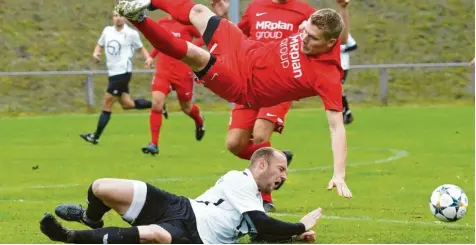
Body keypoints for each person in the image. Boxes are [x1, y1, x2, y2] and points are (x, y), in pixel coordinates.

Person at [116, 0, 352, 198]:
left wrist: (339, 174)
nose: (303, 39)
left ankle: (137, 19)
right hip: (244, 48)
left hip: (242, 85)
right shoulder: (304, 27)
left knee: (192, 53)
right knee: (199, 11)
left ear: (330, 42)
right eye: (304, 31)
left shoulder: (328, 75)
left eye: (312, 38)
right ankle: (142, 3)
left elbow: (336, 127)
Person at [211, 0, 349, 212]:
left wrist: (343, 10)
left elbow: (339, 39)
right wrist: (223, 17)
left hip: (279, 88)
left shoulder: (305, 11)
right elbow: (235, 38)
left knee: (259, 135)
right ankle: (279, 159)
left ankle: (265, 196)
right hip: (249, 78)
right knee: (234, 144)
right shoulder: (256, 7)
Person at [39, 147, 323, 244]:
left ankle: (68, 237)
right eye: (281, 169)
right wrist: (300, 226)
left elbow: (259, 234)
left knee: (154, 235)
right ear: (261, 164)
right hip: (181, 206)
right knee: (101, 187)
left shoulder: (255, 202)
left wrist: (293, 235)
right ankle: (91, 219)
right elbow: (261, 226)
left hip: (194, 235)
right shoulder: (241, 181)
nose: (284, 176)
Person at [80, 11, 154, 145]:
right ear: (112, 18)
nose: (118, 19)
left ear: (125, 18)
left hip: (122, 73)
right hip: (113, 73)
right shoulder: (107, 31)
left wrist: (148, 58)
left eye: (120, 16)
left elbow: (141, 48)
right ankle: (157, 105)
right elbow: (99, 44)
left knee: (107, 103)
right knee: (127, 104)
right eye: (115, 16)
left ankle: (95, 136)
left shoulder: (131, 33)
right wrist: (96, 53)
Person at [141, 15, 205, 156]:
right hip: (163, 70)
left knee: (186, 108)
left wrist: (193, 47)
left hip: (182, 71)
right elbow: (159, 42)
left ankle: (199, 120)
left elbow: (203, 36)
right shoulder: (162, 22)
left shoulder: (188, 23)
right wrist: (151, 56)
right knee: (156, 103)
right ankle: (154, 144)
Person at [340, 33, 357, 124]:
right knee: (337, 90)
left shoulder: (344, 34)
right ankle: (346, 113)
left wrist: (344, 49)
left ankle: (346, 113)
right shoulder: (328, 33)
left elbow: (354, 46)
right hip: (333, 66)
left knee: (338, 89)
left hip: (343, 66)